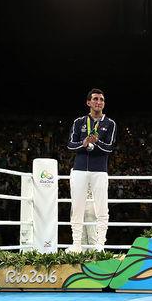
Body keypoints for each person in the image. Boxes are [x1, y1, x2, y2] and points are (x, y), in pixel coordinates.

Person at [66, 88, 117, 252]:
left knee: (102, 209)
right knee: (77, 208)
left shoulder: (110, 123)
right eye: (95, 99)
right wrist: (83, 143)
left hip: (99, 171)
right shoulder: (78, 122)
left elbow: (110, 148)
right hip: (79, 170)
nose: (98, 102)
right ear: (88, 102)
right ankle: (76, 245)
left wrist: (96, 143)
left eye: (101, 99)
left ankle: (100, 245)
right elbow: (69, 145)